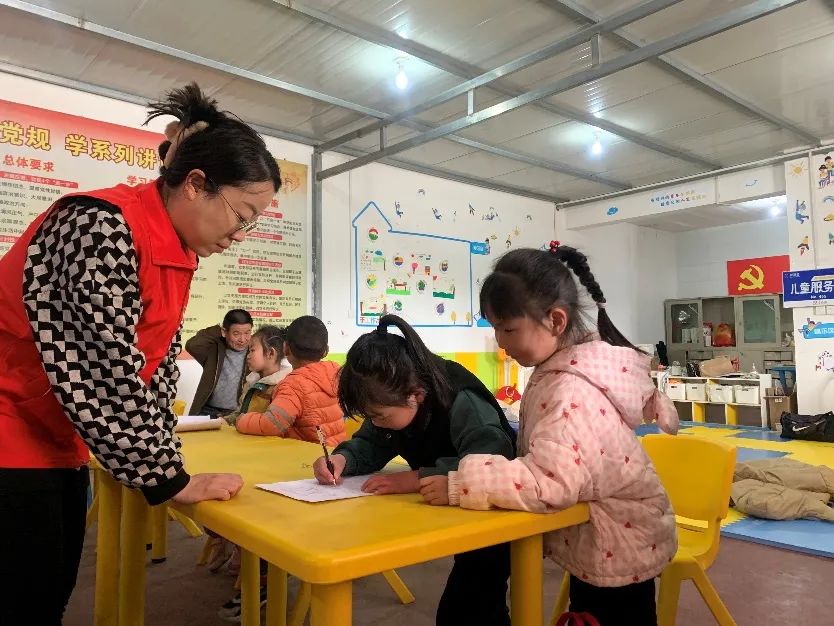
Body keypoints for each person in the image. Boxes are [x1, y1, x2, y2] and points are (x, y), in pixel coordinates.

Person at [0, 82, 282, 624]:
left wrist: (162, 460)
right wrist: (168, 479)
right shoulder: (99, 227)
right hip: (11, 433)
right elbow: (103, 370)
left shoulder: (176, 250)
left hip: (57, 438)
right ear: (195, 184)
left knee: (49, 592)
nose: (242, 234)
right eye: (242, 215)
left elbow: (154, 369)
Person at [418, 243, 679, 626]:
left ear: (556, 321)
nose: (501, 342)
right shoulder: (571, 366)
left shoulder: (571, 390)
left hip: (616, 545)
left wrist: (462, 484)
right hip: (612, 536)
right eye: (495, 328)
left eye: (508, 328)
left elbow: (551, 481)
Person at [312, 314, 517, 626]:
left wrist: (418, 477)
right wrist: (343, 459)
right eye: (370, 416)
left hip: (495, 513)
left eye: (379, 416)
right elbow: (372, 441)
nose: (375, 422)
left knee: (469, 607)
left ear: (417, 396)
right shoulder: (392, 396)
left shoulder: (462, 399)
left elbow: (494, 458)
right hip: (454, 510)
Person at [206, 325, 293, 576]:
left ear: (271, 353)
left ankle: (242, 547)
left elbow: (270, 425)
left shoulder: (282, 386)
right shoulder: (253, 380)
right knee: (213, 480)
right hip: (245, 451)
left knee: (239, 496)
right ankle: (225, 538)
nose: (247, 354)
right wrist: (225, 421)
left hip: (267, 461)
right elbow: (241, 413)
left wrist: (239, 421)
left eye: (252, 349)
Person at [235, 316, 346, 446]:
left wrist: (242, 420)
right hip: (336, 451)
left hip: (307, 454)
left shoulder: (293, 385)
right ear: (326, 350)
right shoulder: (336, 374)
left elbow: (271, 424)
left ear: (286, 348)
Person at [186, 309, 254, 418]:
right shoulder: (214, 349)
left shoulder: (254, 352)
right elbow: (192, 345)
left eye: (247, 333)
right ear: (224, 332)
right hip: (207, 411)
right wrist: (217, 330)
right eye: (236, 333)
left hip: (237, 413)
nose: (242, 339)